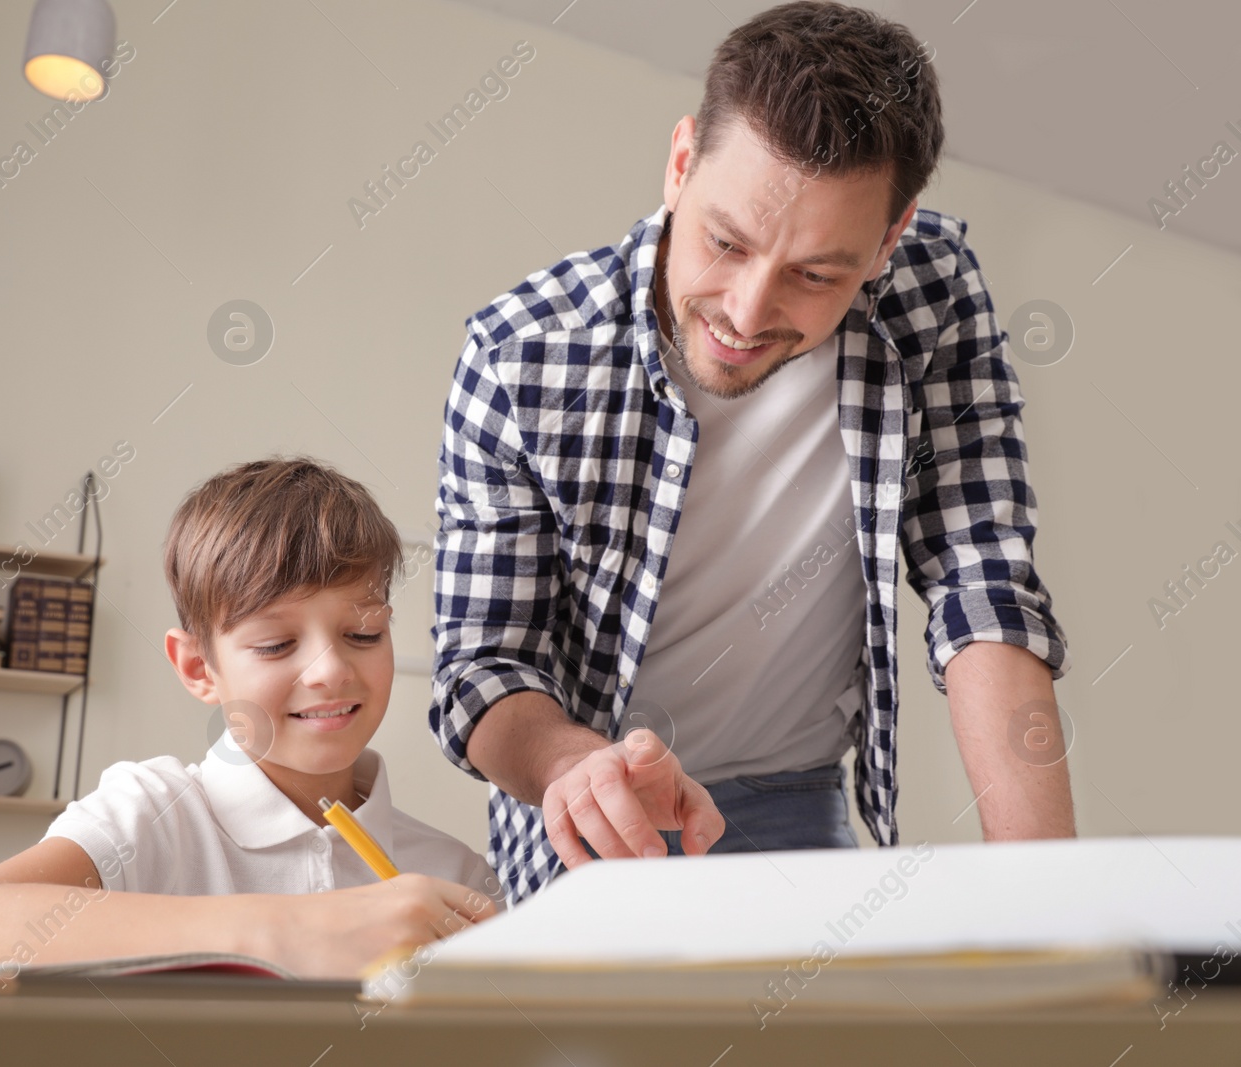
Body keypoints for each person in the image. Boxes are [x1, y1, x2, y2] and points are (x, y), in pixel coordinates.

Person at [429, 0, 1074, 905]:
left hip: (798, 803)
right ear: (682, 162)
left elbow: (984, 584)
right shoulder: (521, 354)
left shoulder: (933, 290)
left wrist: (1052, 902)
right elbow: (482, 668)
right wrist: (582, 768)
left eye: (817, 275)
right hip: (596, 827)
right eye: (724, 242)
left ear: (888, 240)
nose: (745, 308)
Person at [0, 457, 497, 979]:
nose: (330, 671)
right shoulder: (151, 817)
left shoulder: (451, 873)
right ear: (198, 668)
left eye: (363, 633)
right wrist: (290, 929)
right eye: (275, 645)